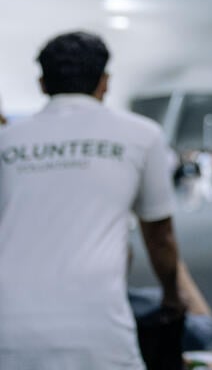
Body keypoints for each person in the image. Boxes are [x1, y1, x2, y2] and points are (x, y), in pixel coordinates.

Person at [0, 31, 182, 367]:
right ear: (105, 82)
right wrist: (172, 298)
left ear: (42, 84)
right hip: (98, 326)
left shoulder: (7, 142)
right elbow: (160, 239)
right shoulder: (141, 135)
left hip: (9, 326)